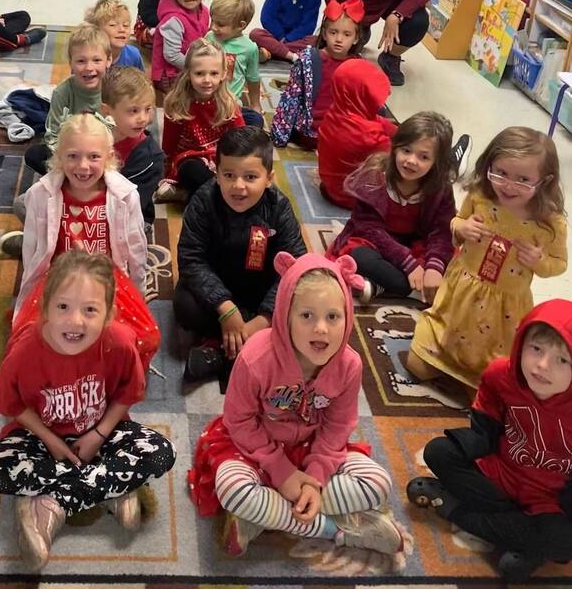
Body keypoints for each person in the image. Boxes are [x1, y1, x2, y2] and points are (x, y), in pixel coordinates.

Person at [188, 252, 404, 557]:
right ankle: (340, 533)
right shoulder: (255, 358)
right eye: (306, 316)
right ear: (284, 316)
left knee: (378, 483)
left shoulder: (350, 365)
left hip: (312, 450)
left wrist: (314, 479)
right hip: (254, 451)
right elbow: (239, 422)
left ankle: (267, 516)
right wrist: (283, 474)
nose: (321, 328)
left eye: (333, 316)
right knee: (233, 490)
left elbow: (337, 427)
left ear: (348, 318)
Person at [0, 253, 176, 570]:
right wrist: (49, 439)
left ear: (109, 314)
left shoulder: (121, 343)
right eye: (63, 307)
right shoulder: (25, 350)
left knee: (163, 451)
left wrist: (98, 434)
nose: (75, 321)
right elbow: (9, 404)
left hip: (104, 435)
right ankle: (111, 485)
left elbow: (129, 393)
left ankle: (52, 504)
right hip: (39, 440)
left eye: (90, 310)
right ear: (45, 309)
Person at [408, 301, 572, 580]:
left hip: (549, 496)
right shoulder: (502, 375)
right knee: (438, 452)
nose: (543, 365)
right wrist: (475, 443)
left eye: (562, 360)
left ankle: (455, 511)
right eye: (536, 349)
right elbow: (485, 423)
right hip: (500, 472)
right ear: (521, 343)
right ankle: (519, 534)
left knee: (562, 543)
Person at [407, 127, 567, 390]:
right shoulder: (480, 196)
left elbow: (559, 264)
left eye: (523, 179)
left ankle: (476, 376)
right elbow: (456, 222)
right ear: (488, 164)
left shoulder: (550, 222)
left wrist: (539, 261)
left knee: (487, 386)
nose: (508, 185)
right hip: (460, 294)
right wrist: (461, 227)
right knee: (416, 366)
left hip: (503, 311)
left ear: (545, 181)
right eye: (500, 173)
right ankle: (446, 356)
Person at [13, 112, 159, 369]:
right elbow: (33, 251)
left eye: (93, 157)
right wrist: (27, 299)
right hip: (58, 280)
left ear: (109, 158)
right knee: (29, 341)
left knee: (142, 339)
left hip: (108, 281)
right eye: (72, 156)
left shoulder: (126, 197)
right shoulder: (39, 195)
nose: (83, 167)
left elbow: (136, 251)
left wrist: (137, 291)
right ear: (59, 157)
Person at [174, 127, 306, 381]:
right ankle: (254, 348)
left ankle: (221, 352)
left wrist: (265, 318)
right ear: (216, 172)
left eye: (250, 177)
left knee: (303, 305)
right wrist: (225, 308)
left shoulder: (278, 207)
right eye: (229, 175)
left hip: (261, 294)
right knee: (184, 305)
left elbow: (294, 265)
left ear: (269, 178)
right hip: (217, 289)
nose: (238, 186)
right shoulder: (203, 201)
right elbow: (191, 259)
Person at [327, 112, 457, 302]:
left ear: (437, 162)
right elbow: (369, 229)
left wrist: (433, 267)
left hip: (414, 244)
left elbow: (441, 231)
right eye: (406, 150)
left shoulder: (441, 187)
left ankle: (379, 285)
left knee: (453, 266)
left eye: (424, 157)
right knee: (360, 257)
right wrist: (408, 264)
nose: (411, 160)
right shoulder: (374, 176)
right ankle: (408, 290)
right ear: (395, 148)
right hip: (373, 241)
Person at [270, 0, 367, 151]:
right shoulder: (307, 60)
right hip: (310, 131)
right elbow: (290, 98)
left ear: (356, 39)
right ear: (324, 33)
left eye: (347, 34)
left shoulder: (359, 66)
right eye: (333, 32)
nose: (339, 39)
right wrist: (279, 134)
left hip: (341, 130)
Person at [157, 39, 244, 202]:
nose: (207, 80)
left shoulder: (227, 102)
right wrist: (168, 171)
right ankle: (221, 196)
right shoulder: (176, 103)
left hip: (220, 157)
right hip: (190, 158)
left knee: (254, 128)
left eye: (214, 73)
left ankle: (192, 195)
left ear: (223, 74)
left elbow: (240, 137)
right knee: (191, 170)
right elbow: (169, 145)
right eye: (199, 73)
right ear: (188, 73)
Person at [24, 24, 111, 176]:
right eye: (81, 61)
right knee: (35, 154)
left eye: (97, 60)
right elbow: (53, 134)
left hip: (103, 155)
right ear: (70, 63)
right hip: (72, 155)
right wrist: (71, 159)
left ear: (108, 60)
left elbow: (121, 128)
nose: (89, 67)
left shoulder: (114, 89)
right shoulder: (62, 93)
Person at [317, 58, 396, 209]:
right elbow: (399, 158)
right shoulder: (368, 137)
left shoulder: (335, 113)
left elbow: (375, 120)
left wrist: (394, 129)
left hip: (330, 187)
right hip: (354, 198)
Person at [100, 66, 164, 225]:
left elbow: (131, 204)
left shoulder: (151, 158)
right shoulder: (96, 136)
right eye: (133, 111)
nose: (142, 118)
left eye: (147, 109)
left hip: (132, 217)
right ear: (107, 111)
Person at [151, 0, 210, 98]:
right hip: (170, 74)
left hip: (189, 64)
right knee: (181, 103)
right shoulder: (174, 20)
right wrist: (198, 67)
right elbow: (171, 55)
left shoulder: (204, 11)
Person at [207, 0, 263, 127]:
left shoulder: (250, 48)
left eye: (220, 24)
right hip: (205, 100)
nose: (213, 27)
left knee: (256, 121)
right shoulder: (209, 38)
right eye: (212, 20)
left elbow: (253, 78)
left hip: (231, 106)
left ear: (241, 25)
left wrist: (255, 105)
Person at [84, 0, 143, 69]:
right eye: (113, 25)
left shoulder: (133, 55)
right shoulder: (86, 54)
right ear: (97, 29)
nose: (122, 29)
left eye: (126, 25)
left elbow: (141, 79)